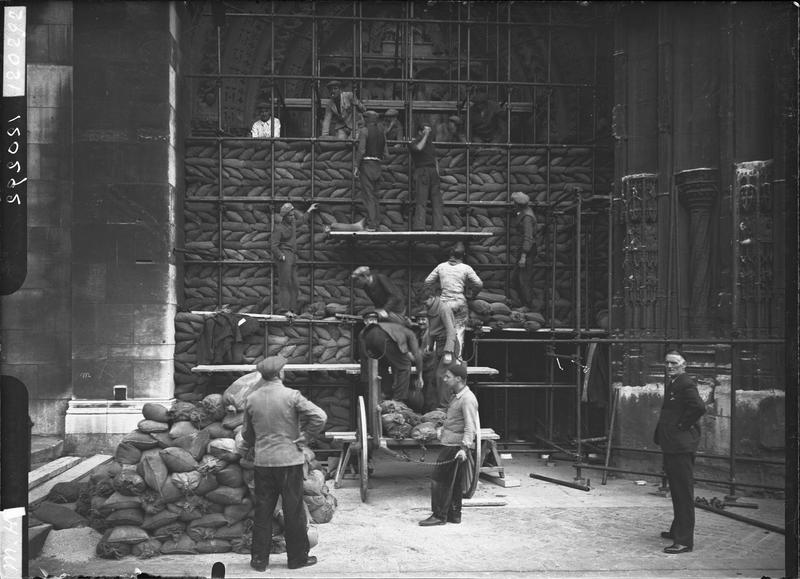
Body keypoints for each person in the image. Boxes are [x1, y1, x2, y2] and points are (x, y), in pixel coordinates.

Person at [237, 355, 327, 571]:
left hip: (264, 463)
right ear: (280, 373)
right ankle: (297, 559)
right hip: (289, 461)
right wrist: (305, 437)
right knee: (293, 510)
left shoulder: (252, 398)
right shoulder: (291, 396)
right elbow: (320, 416)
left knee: (263, 511)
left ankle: (259, 561)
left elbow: (248, 435)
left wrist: (254, 444)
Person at [653, 349, 706, 554]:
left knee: (683, 492)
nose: (669, 367)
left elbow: (698, 407)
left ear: (684, 365)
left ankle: (684, 541)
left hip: (680, 445)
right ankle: (677, 530)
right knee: (676, 489)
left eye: (674, 363)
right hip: (673, 444)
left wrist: (681, 426)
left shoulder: (685, 383)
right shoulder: (675, 382)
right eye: (667, 363)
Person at [418, 361, 478, 526]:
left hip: (455, 447)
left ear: (458, 379)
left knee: (439, 480)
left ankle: (439, 516)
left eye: (448, 377)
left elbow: (470, 426)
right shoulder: (457, 396)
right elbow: (454, 421)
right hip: (451, 443)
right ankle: (454, 515)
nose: (445, 379)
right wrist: (441, 430)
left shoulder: (467, 399)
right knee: (454, 481)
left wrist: (464, 448)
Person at [424, 242, 483, 352]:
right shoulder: (466, 268)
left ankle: (438, 361)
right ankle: (457, 361)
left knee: (440, 332)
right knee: (459, 332)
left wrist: (434, 295)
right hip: (459, 302)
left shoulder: (441, 267)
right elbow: (479, 284)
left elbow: (427, 282)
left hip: (443, 304)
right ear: (463, 255)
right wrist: (472, 295)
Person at [359, 311, 424, 407]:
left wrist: (365, 378)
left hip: (370, 338)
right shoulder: (410, 334)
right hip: (382, 339)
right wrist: (420, 376)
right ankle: (398, 400)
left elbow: (365, 357)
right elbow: (417, 356)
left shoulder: (369, 330)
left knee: (382, 365)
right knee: (405, 366)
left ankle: (383, 393)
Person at [270, 202, 318, 315]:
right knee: (285, 283)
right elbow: (273, 245)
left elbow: (301, 221)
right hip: (284, 257)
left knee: (295, 284)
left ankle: (292, 309)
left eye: (293, 215)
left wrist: (309, 210)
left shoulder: (292, 224)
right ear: (284, 216)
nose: (292, 217)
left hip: (292, 256)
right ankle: (284, 309)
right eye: (290, 215)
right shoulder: (278, 228)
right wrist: (280, 255)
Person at [420, 288, 460, 411]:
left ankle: (445, 407)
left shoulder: (443, 309)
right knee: (433, 377)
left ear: (432, 297)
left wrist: (448, 352)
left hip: (450, 345)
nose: (424, 304)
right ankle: (436, 407)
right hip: (440, 344)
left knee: (443, 376)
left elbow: (451, 331)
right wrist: (430, 346)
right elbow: (432, 330)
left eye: (425, 301)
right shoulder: (430, 309)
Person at [353, 111, 389, 231]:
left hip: (367, 165)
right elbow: (386, 154)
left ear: (367, 120)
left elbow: (361, 150)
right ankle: (376, 222)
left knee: (368, 196)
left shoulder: (364, 131)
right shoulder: (382, 132)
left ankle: (372, 224)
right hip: (377, 166)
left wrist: (357, 166)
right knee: (375, 196)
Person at [408, 124, 443, 230]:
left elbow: (435, 159)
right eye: (424, 131)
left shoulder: (430, 144)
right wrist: (425, 135)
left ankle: (437, 227)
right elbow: (418, 149)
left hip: (432, 172)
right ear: (419, 132)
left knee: (437, 202)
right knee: (421, 200)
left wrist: (437, 174)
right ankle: (419, 226)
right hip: (421, 171)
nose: (427, 133)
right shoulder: (413, 143)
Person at [510, 191, 538, 308]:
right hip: (523, 250)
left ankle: (527, 305)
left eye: (514, 203)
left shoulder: (527, 217)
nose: (513, 204)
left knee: (524, 279)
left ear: (518, 204)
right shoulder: (524, 212)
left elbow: (528, 237)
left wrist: (523, 256)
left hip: (527, 251)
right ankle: (522, 303)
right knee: (517, 278)